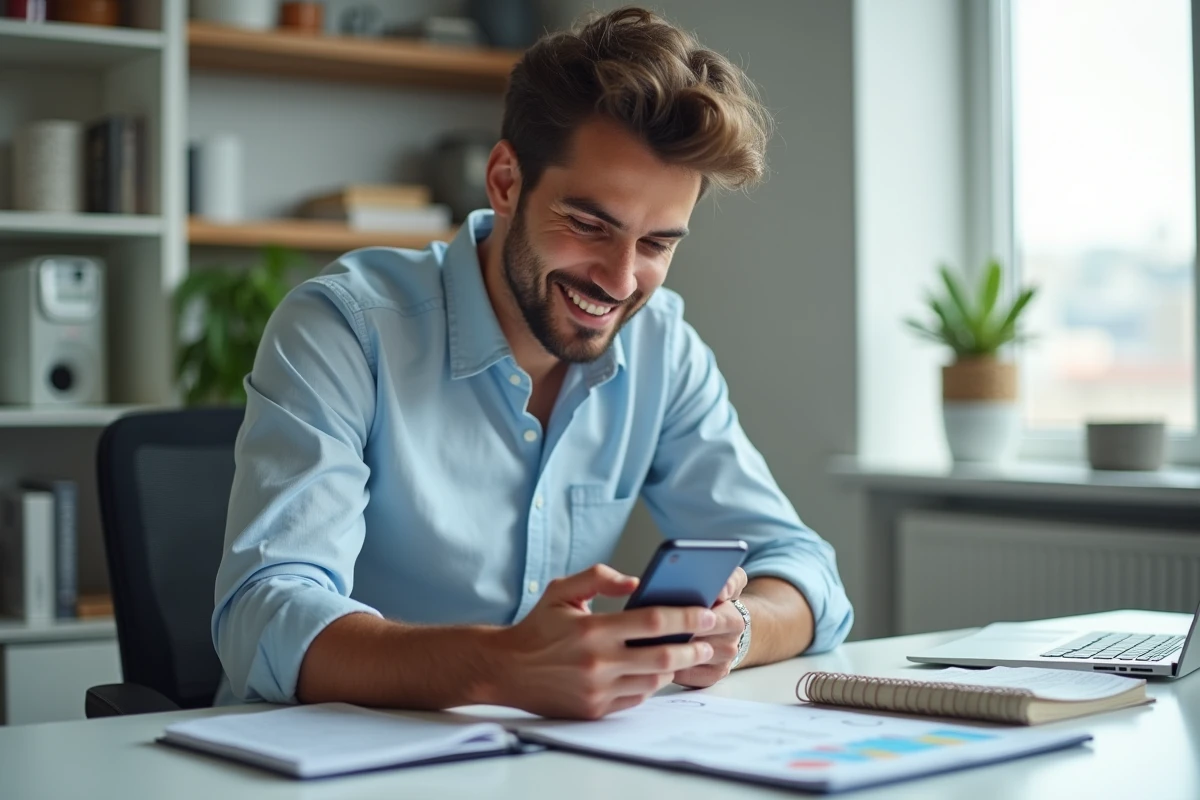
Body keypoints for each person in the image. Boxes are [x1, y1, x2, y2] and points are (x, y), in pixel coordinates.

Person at [212, 6, 853, 720]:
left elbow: (804, 570)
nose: (618, 279)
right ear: (506, 180)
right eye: (588, 225)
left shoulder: (662, 349)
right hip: (321, 761)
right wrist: (501, 667)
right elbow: (265, 615)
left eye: (657, 245)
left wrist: (731, 633)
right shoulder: (343, 329)